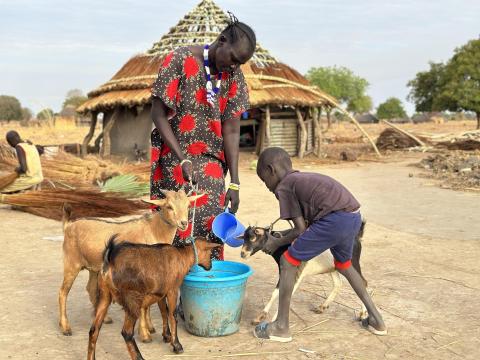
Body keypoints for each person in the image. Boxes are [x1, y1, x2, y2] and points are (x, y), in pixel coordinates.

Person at [253, 147, 387, 342]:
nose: (267, 186)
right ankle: (376, 319)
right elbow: (305, 227)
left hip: (334, 220)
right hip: (352, 217)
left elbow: (299, 231)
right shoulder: (301, 179)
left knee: (288, 261)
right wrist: (279, 237)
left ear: (271, 169)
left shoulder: (285, 186)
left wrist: (276, 243)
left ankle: (280, 327)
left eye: (264, 180)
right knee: (344, 265)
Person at [150, 14, 256, 260]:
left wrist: (235, 182)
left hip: (211, 168)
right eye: (233, 59)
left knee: (211, 232)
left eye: (240, 63)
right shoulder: (179, 59)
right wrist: (183, 159)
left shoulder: (233, 77)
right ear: (222, 41)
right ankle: (172, 292)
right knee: (176, 229)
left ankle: (206, 292)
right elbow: (158, 115)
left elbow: (230, 130)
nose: (234, 67)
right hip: (175, 161)